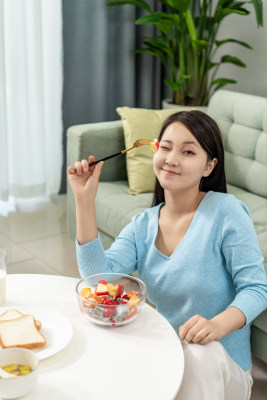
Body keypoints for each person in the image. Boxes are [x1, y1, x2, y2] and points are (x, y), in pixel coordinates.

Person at [67, 110, 267, 400]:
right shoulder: (143, 225)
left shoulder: (227, 212)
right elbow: (98, 276)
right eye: (166, 147)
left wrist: (215, 325)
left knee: (202, 352)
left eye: (188, 151)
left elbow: (257, 289)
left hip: (222, 370)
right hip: (169, 360)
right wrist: (84, 201)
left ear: (209, 166)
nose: (172, 159)